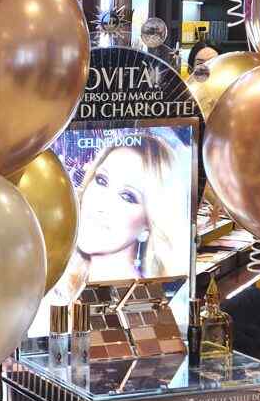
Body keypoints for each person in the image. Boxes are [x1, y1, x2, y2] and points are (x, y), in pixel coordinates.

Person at [51, 130, 193, 304]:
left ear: (148, 224)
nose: (101, 202)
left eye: (127, 196)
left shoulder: (146, 303)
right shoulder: (56, 286)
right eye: (101, 180)